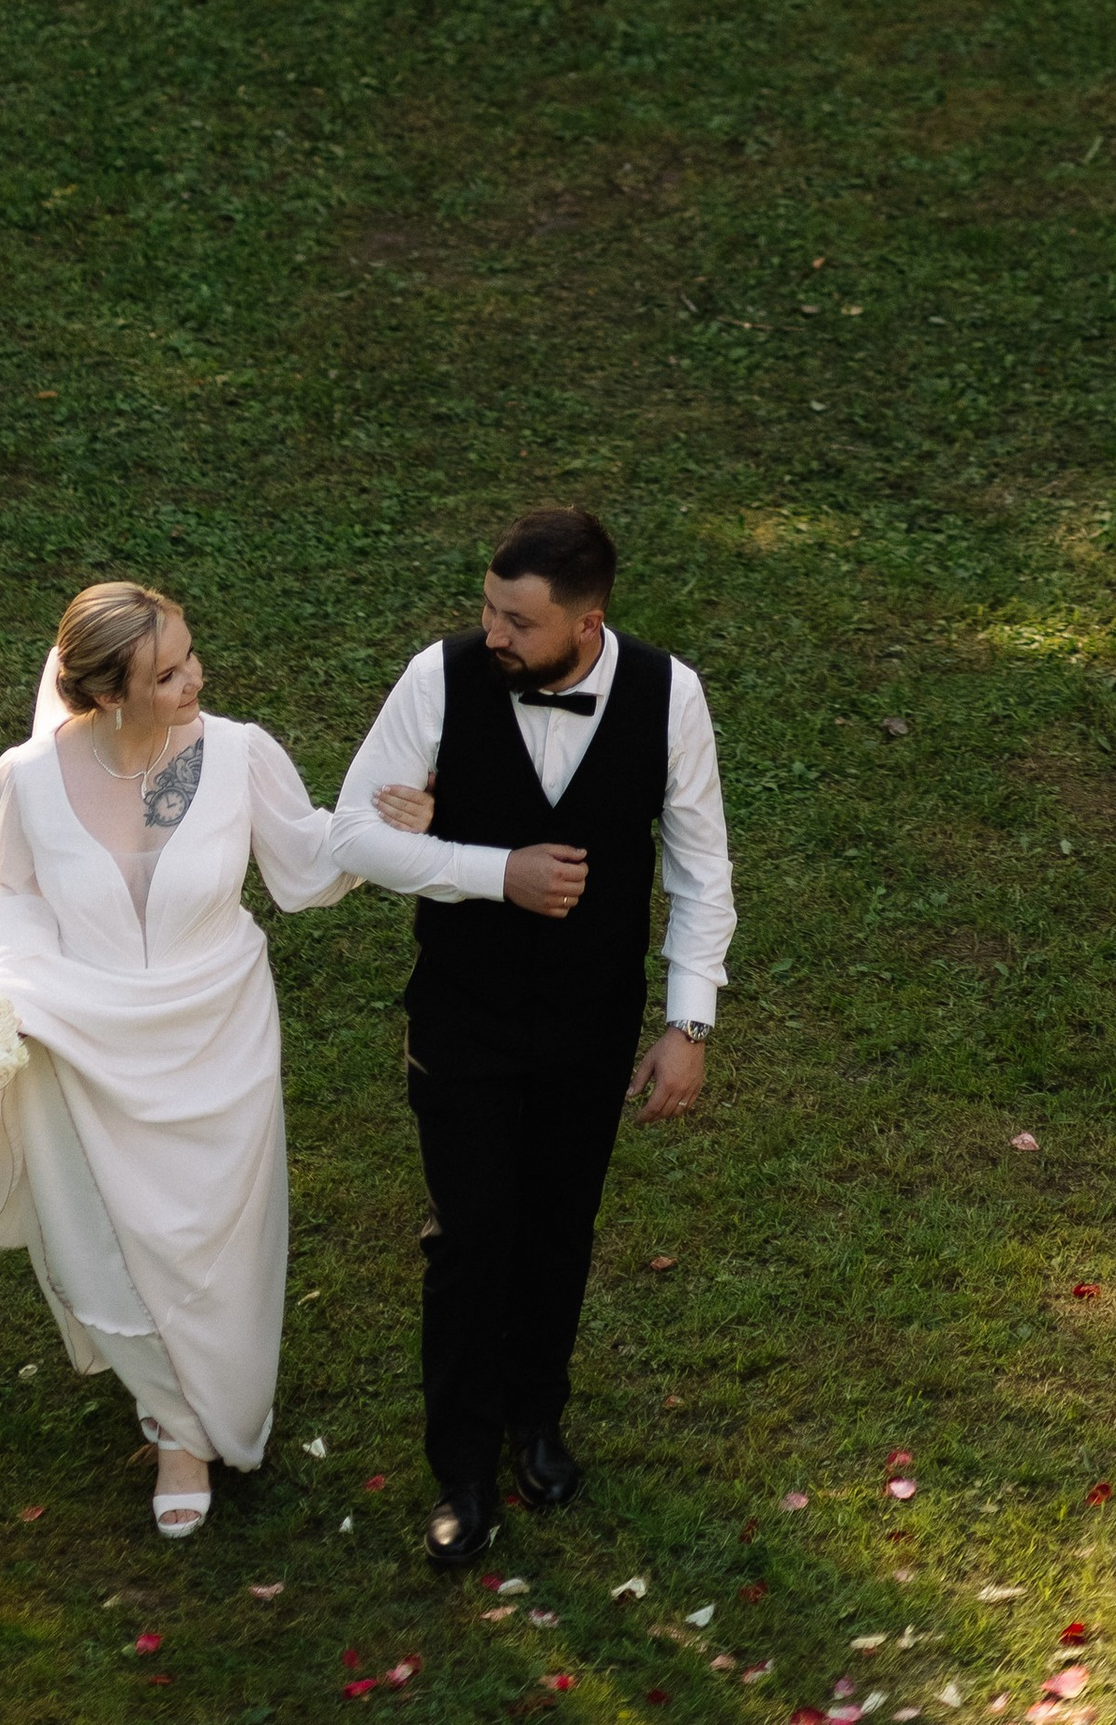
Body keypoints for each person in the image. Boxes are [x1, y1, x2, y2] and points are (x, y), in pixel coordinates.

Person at [0, 579, 433, 1537]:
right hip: (82, 1036)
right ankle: (175, 1427)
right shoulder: (23, 779)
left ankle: (214, 1389)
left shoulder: (239, 753)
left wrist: (388, 831)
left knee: (216, 1243)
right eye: (168, 672)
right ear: (105, 694)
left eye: (190, 656)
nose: (196, 678)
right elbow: (3, 901)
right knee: (100, 1240)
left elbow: (307, 869)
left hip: (216, 1029)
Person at [331, 503, 735, 1568]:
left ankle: (536, 1419)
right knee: (470, 1238)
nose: (492, 635)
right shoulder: (440, 677)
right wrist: (487, 871)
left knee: (559, 1226)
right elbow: (352, 834)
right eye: (487, 611)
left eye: (516, 621)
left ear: (587, 622)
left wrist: (685, 1019)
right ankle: (460, 1468)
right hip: (461, 1015)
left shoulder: (667, 694)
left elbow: (701, 867)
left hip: (589, 1022)